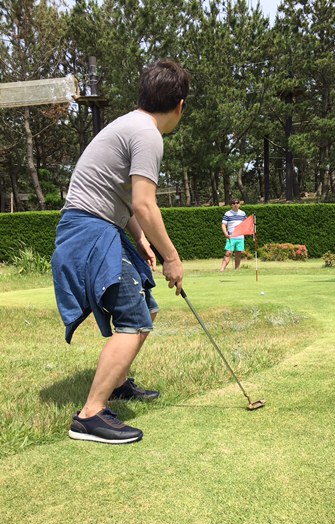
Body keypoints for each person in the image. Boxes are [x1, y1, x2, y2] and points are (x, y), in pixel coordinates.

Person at [52, 59, 190, 445]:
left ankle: (117, 383)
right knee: (135, 322)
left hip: (97, 226)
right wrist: (172, 258)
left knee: (146, 307)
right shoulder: (148, 134)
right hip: (90, 230)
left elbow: (122, 200)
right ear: (180, 106)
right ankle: (90, 415)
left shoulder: (129, 124)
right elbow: (144, 203)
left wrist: (142, 240)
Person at [220, 199, 246, 271]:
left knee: (238, 253)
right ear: (231, 205)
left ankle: (237, 270)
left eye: (237, 203)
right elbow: (223, 224)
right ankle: (222, 270)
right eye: (233, 203)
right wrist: (226, 234)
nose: (235, 204)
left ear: (239, 204)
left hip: (240, 237)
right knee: (228, 253)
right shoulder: (227, 213)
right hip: (231, 237)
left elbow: (245, 224)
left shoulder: (243, 213)